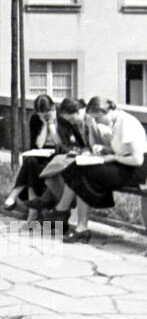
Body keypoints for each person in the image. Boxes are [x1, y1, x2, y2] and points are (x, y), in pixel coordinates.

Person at [55, 98, 147, 244]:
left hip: (137, 171)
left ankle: (66, 216)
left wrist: (113, 157)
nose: (97, 122)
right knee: (77, 167)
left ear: (107, 111)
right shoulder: (116, 121)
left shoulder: (126, 123)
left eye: (98, 118)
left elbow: (137, 160)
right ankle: (78, 225)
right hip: (125, 164)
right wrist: (105, 150)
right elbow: (123, 150)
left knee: (82, 171)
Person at [3, 94, 85, 221]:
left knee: (31, 167)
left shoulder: (62, 118)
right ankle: (31, 211)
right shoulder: (35, 119)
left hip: (58, 156)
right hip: (42, 155)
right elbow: (37, 145)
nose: (45, 116)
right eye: (42, 114)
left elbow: (60, 144)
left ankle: (21, 203)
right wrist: (44, 126)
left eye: (48, 112)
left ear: (53, 108)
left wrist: (51, 125)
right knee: (30, 162)